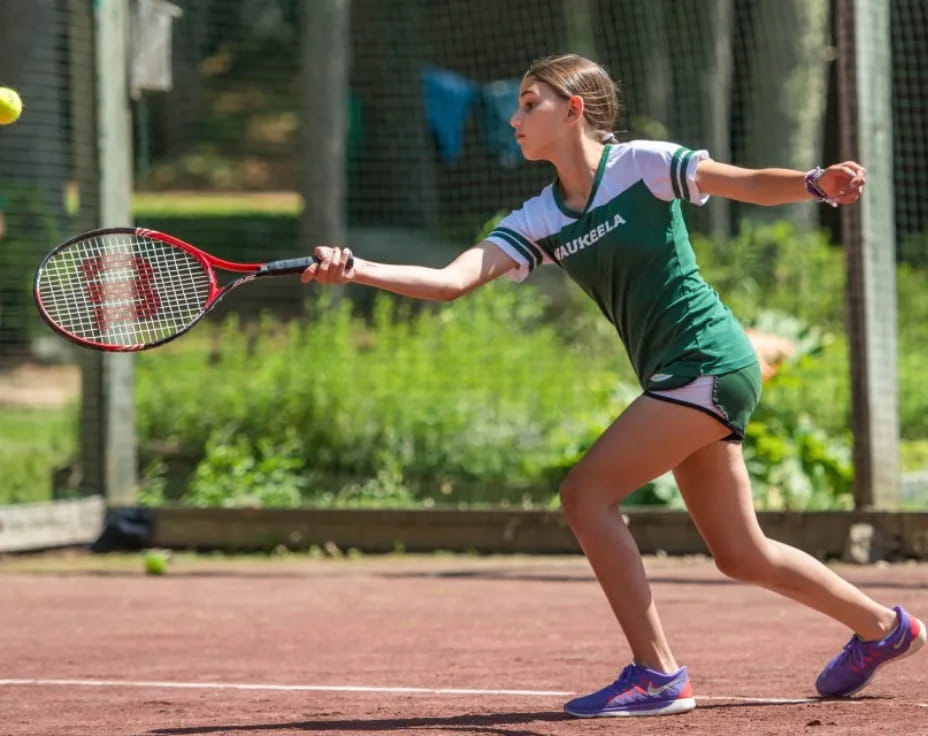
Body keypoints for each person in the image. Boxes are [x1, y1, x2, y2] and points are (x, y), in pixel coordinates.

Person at [301, 54, 925, 718]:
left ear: (573, 110)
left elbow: (743, 182)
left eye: (529, 103)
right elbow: (452, 282)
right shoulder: (541, 215)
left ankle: (657, 675)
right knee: (741, 555)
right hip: (682, 376)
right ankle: (883, 630)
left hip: (708, 359)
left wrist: (814, 183)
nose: (514, 118)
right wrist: (357, 268)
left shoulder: (643, 165)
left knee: (584, 493)